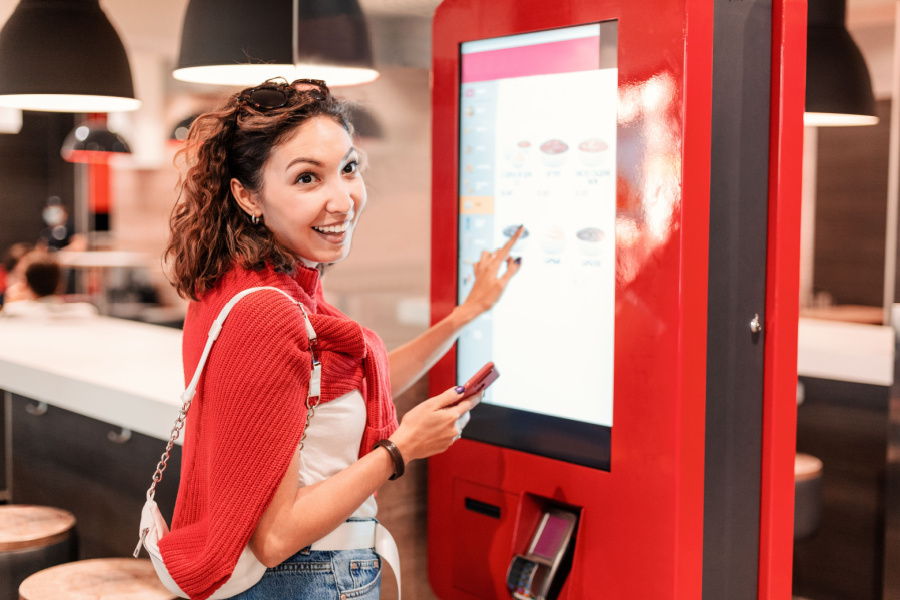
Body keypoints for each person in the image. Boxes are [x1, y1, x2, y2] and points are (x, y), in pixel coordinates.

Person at [162, 78, 522, 600]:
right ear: (247, 195)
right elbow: (274, 537)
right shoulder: (269, 313)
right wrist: (399, 450)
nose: (342, 200)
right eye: (307, 178)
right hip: (302, 583)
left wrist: (467, 314)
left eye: (349, 169)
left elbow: (342, 387)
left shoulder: (256, 281)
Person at [0, 251, 97, 318]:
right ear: (61, 283)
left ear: (26, 284)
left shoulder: (13, 314)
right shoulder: (86, 312)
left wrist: (8, 302)